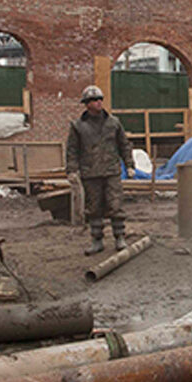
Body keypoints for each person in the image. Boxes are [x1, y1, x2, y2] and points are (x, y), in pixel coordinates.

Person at [66, 85, 135, 255]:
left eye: (100, 99)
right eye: (94, 100)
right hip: (90, 173)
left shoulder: (113, 123)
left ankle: (119, 237)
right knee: (94, 208)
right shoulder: (78, 126)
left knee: (116, 205)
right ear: (86, 104)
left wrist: (129, 165)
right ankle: (97, 240)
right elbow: (72, 150)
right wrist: (72, 170)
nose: (98, 102)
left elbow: (124, 145)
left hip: (111, 171)